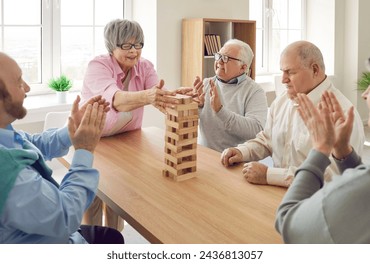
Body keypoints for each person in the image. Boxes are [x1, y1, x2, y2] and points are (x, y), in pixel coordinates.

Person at [0, 52, 123, 244]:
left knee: (113, 237)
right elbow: (67, 216)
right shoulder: (6, 173)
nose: (27, 87)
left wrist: (71, 130)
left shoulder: (4, 134)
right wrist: (84, 150)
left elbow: (32, 144)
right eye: (18, 82)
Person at [80, 19, 181, 231]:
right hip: (93, 139)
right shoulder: (97, 66)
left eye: (138, 45)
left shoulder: (145, 66)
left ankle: (114, 242)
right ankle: (91, 242)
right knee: (94, 198)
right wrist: (150, 96)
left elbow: (158, 94)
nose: (134, 51)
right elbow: (114, 100)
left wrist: (179, 97)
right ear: (111, 46)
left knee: (119, 196)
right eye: (126, 45)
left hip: (125, 138)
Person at [221, 40, 365, 187]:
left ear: (315, 70)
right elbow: (267, 140)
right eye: (282, 72)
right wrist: (242, 152)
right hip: (274, 195)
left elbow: (334, 176)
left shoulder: (344, 115)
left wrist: (269, 175)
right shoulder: (283, 101)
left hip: (315, 203)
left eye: (290, 72)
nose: (283, 79)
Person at [275, 90, 370, 243]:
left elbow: (288, 222)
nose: (365, 94)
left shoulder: (344, 108)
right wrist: (342, 151)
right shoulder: (281, 101)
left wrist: (320, 149)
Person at [192, 39, 268, 152]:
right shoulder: (206, 84)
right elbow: (191, 124)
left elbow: (256, 130)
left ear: (243, 67)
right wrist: (195, 107)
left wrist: (220, 111)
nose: (219, 61)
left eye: (226, 58)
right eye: (219, 56)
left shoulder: (255, 91)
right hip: (206, 156)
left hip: (235, 161)